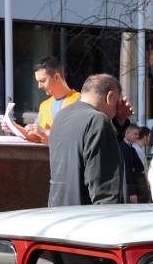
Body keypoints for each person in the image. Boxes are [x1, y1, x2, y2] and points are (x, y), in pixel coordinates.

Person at [48, 73, 131, 206]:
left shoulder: (61, 116)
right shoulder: (98, 120)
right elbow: (105, 188)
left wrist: (119, 122)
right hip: (87, 217)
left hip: (58, 212)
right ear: (110, 97)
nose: (117, 110)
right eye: (117, 103)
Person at [26, 56, 81, 141]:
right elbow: (36, 137)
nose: (39, 86)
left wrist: (44, 132)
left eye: (43, 81)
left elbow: (77, 135)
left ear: (56, 77)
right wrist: (16, 128)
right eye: (38, 81)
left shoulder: (80, 101)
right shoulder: (44, 106)